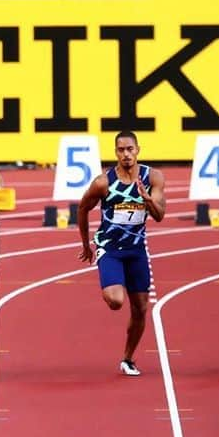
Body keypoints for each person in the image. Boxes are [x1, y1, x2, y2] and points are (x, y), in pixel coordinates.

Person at [77, 131, 166, 376]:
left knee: (140, 309)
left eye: (130, 149)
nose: (126, 154)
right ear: (115, 152)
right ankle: (114, 282)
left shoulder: (154, 177)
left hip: (137, 250)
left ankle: (128, 358)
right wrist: (86, 244)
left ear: (138, 149)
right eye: (120, 150)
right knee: (116, 301)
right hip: (111, 249)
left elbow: (159, 215)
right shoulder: (103, 182)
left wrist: (147, 199)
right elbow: (82, 209)